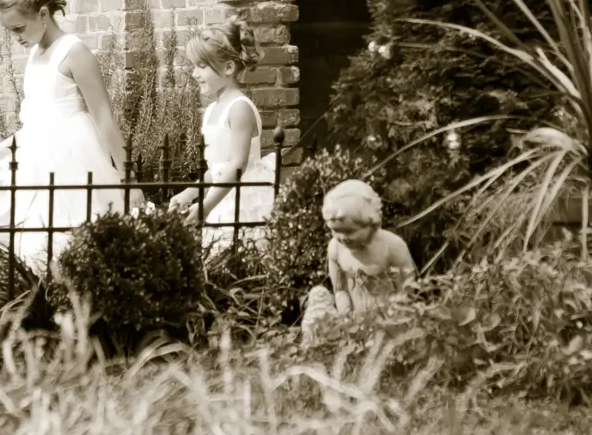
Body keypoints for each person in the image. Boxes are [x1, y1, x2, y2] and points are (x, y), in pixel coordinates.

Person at [0, 0, 125, 271]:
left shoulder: (74, 52)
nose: (15, 37)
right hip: (36, 160)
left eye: (19, 28)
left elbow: (103, 117)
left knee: (69, 238)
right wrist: (2, 151)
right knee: (34, 245)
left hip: (72, 158)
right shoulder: (35, 54)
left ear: (43, 14)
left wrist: (128, 177)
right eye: (10, 31)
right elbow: (36, 120)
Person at [167, 23, 278, 246]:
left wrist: (207, 205)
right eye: (193, 66)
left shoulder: (239, 108)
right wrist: (190, 193)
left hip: (242, 201)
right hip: (221, 198)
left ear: (228, 67)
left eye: (201, 66)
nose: (194, 73)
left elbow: (237, 166)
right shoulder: (211, 111)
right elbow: (219, 168)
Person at [300, 179, 415, 344]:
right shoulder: (335, 249)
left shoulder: (393, 247)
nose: (343, 238)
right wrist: (347, 319)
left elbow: (408, 290)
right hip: (356, 325)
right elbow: (340, 290)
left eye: (349, 231)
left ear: (371, 222)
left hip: (391, 322)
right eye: (335, 231)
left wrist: (392, 318)